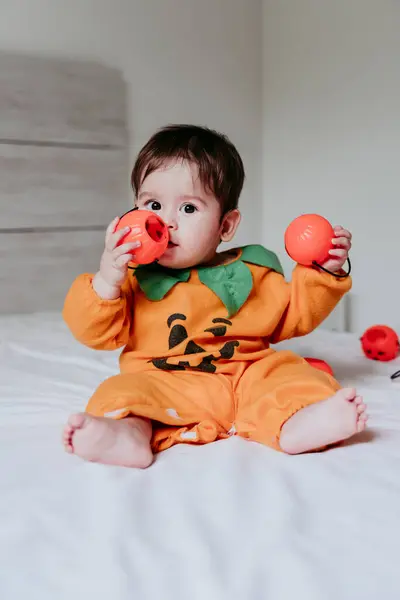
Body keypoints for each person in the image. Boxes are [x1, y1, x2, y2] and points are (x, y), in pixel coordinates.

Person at [62, 124, 367, 468]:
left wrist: (325, 270)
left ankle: (298, 424)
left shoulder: (252, 270)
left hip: (248, 373)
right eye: (154, 204)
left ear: (225, 226)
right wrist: (107, 279)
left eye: (188, 209)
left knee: (297, 378)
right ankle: (128, 433)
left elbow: (295, 314)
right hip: (165, 380)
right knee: (121, 391)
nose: (167, 222)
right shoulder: (131, 277)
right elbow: (94, 333)